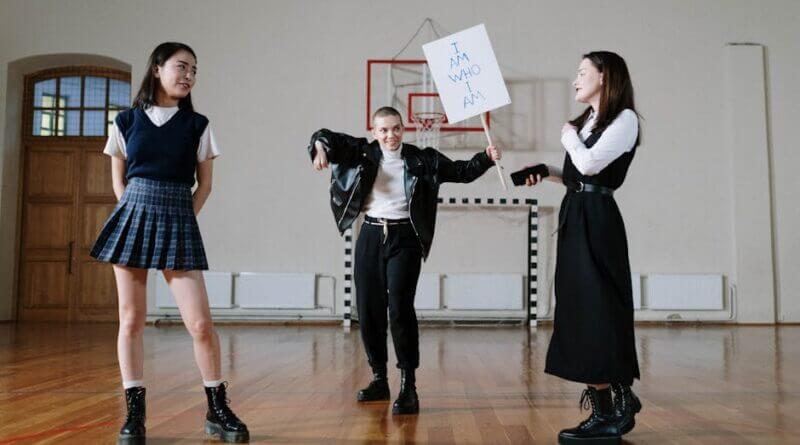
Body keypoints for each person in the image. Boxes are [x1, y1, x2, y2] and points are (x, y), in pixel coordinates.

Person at [90, 42, 249, 444]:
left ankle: (217, 409)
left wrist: (180, 219)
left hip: (178, 216)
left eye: (194, 70)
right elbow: (118, 182)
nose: (188, 75)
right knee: (131, 319)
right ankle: (135, 415)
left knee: (199, 324)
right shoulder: (125, 120)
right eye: (181, 66)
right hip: (133, 215)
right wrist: (136, 214)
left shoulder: (198, 125)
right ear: (158, 68)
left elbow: (205, 185)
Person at [308, 107, 501, 415]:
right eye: (383, 130)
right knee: (369, 309)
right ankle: (379, 378)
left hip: (405, 239)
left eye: (395, 129)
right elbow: (326, 138)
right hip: (370, 236)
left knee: (399, 308)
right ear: (374, 132)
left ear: (403, 129)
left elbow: (461, 172)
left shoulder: (422, 159)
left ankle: (408, 385)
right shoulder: (361, 153)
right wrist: (318, 148)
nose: (390, 135)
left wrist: (486, 158)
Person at [523, 51, 642, 444]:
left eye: (581, 72)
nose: (575, 80)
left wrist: (569, 137)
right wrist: (546, 172)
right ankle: (604, 406)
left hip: (598, 220)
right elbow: (578, 174)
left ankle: (621, 401)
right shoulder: (587, 123)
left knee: (600, 307)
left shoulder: (625, 120)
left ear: (605, 77)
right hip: (576, 212)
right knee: (577, 310)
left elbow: (591, 166)